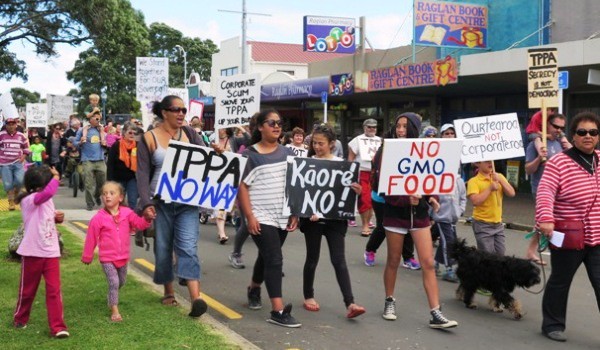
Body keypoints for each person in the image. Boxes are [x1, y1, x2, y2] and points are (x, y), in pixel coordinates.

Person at [375, 112, 458, 328]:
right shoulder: (386, 150)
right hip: (395, 215)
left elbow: (432, 178)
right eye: (398, 126)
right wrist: (405, 199)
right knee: (393, 260)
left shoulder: (425, 150)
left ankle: (435, 312)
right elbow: (380, 186)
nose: (400, 130)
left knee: (428, 262)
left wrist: (432, 198)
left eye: (405, 126)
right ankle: (389, 301)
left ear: (414, 129)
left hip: (419, 216)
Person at [137, 95, 208, 318]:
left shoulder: (191, 134)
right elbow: (142, 174)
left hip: (187, 202)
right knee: (164, 247)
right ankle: (169, 292)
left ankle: (196, 299)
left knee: (188, 246)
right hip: (160, 202)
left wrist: (217, 153)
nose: (180, 114)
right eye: (175, 109)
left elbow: (206, 161)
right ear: (164, 112)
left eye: (183, 110)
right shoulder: (149, 138)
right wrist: (146, 202)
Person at [536, 112, 600, 342]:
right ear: (573, 136)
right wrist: (545, 218)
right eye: (582, 132)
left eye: (593, 132)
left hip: (597, 237)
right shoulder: (559, 162)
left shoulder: (599, 159)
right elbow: (545, 192)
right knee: (560, 281)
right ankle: (552, 324)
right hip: (567, 235)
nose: (588, 136)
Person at [237, 109, 300, 328]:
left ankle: (254, 288)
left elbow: (295, 184)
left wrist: (294, 212)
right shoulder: (249, 155)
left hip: (282, 214)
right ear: (260, 127)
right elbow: (242, 187)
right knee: (274, 258)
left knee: (266, 257)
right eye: (271, 122)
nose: (276, 126)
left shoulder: (289, 154)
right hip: (260, 215)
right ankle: (278, 310)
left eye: (280, 123)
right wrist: (249, 216)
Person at [300, 124, 366, 318]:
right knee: (312, 258)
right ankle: (308, 296)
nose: (317, 147)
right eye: (314, 143)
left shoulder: (343, 165)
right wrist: (307, 211)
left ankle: (350, 303)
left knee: (339, 260)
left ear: (332, 144)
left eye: (321, 143)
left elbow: (348, 197)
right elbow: (301, 192)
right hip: (313, 220)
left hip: (335, 221)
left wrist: (358, 192)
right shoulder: (306, 163)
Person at [82, 181, 152, 322]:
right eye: (104, 193)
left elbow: (139, 224)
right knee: (114, 282)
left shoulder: (127, 213)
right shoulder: (98, 218)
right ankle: (114, 310)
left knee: (121, 282)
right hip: (107, 258)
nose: (107, 196)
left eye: (111, 193)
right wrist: (87, 255)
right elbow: (91, 237)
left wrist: (147, 218)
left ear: (120, 197)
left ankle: (111, 296)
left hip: (123, 257)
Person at [13, 165, 69, 338]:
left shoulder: (46, 199)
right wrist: (57, 176)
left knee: (54, 290)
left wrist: (57, 218)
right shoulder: (29, 200)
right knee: (28, 290)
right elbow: (46, 195)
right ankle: (20, 318)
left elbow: (46, 216)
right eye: (49, 183)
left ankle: (58, 327)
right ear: (39, 186)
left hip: (50, 252)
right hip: (32, 253)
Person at [524, 114, 567, 265]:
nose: (559, 130)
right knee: (544, 220)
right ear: (547, 125)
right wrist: (538, 158)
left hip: (561, 190)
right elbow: (528, 170)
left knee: (548, 221)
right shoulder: (535, 145)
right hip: (541, 190)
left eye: (562, 127)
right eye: (556, 126)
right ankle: (533, 250)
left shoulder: (561, 144)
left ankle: (534, 250)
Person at [432, 124, 466, 283]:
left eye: (452, 133)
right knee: (449, 241)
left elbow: (462, 194)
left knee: (447, 240)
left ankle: (435, 263)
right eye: (446, 133)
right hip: (441, 213)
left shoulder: (458, 178)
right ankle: (449, 269)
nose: (450, 136)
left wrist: (460, 209)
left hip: (452, 214)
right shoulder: (435, 154)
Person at [467, 160, 515, 255]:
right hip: (482, 224)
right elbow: (475, 201)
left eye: (491, 161)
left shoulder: (499, 176)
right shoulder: (474, 181)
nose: (490, 163)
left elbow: (511, 193)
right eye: (486, 161)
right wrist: (490, 188)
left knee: (500, 255)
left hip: (498, 223)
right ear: (478, 163)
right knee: (488, 257)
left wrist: (500, 180)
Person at [347, 118, 380, 236]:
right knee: (365, 199)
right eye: (369, 127)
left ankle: (368, 221)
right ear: (364, 127)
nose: (372, 129)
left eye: (374, 127)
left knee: (372, 200)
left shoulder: (380, 140)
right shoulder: (357, 140)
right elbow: (350, 159)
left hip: (376, 173)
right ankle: (365, 225)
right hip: (362, 172)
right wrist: (350, 175)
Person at [74, 114, 106, 211]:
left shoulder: (101, 130)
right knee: (88, 183)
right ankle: (90, 203)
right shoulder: (82, 130)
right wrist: (80, 142)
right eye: (95, 118)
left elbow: (108, 141)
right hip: (87, 160)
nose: (97, 119)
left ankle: (97, 195)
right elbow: (75, 143)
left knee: (102, 183)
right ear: (90, 119)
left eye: (99, 118)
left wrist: (105, 142)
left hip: (100, 159)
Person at [107, 122, 139, 209]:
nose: (132, 135)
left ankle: (132, 221)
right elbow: (110, 164)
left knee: (133, 201)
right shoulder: (116, 145)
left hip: (132, 178)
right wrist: (109, 181)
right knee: (119, 202)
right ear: (124, 132)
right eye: (130, 132)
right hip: (118, 179)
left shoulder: (138, 145)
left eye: (134, 133)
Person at [0, 117, 30, 210]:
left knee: (20, 181)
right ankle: (11, 202)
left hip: (18, 162)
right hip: (5, 164)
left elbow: (26, 149)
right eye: (9, 124)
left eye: (13, 124)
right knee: (8, 184)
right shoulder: (1, 135)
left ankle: (16, 193)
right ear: (6, 125)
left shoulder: (21, 136)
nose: (11, 126)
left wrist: (23, 158)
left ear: (16, 125)